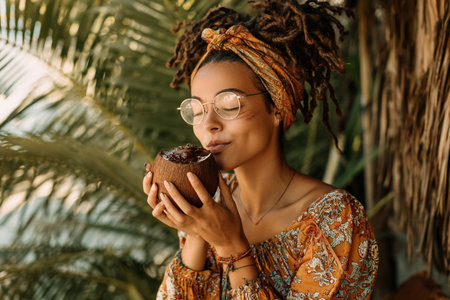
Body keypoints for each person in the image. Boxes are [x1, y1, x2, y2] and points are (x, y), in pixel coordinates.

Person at [142, 0, 378, 299]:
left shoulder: (334, 220)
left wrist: (231, 246)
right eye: (197, 110)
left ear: (276, 108)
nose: (209, 124)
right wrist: (195, 233)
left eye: (229, 105)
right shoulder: (207, 204)